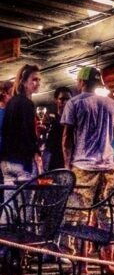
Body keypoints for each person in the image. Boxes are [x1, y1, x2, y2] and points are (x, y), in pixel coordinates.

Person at [61, 66, 114, 275]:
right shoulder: (113, 104)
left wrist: (67, 165)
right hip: (107, 166)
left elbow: (67, 138)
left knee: (77, 217)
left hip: (83, 166)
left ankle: (80, 264)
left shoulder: (74, 103)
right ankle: (107, 263)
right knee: (106, 216)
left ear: (81, 82)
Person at [0, 65, 42, 194]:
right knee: (26, 202)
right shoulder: (27, 104)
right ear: (23, 82)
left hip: (6, 162)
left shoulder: (11, 103)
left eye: (39, 80)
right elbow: (27, 133)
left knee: (10, 201)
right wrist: (36, 152)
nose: (37, 83)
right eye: (34, 79)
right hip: (21, 161)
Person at [43, 86, 73, 171]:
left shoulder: (74, 121)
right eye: (62, 99)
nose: (65, 102)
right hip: (53, 161)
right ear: (56, 100)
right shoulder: (50, 119)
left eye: (68, 99)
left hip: (69, 160)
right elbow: (44, 142)